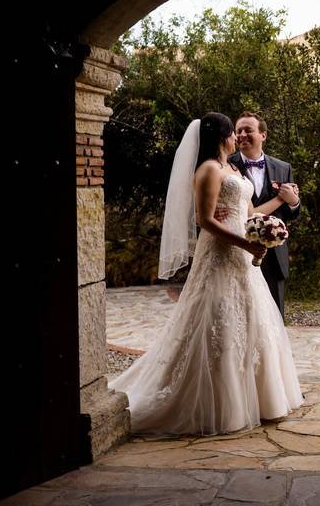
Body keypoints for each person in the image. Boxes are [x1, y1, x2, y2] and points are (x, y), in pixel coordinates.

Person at [108, 113, 303, 435]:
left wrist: (273, 216)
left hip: (242, 258)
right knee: (216, 322)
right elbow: (206, 220)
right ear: (221, 137)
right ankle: (218, 404)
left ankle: (259, 397)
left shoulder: (232, 169)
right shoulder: (208, 169)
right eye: (233, 133)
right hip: (221, 255)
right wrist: (246, 244)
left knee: (253, 322)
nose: (237, 138)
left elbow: (249, 212)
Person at [227, 112, 301, 318]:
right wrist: (280, 199)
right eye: (238, 130)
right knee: (240, 316)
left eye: (248, 130)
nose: (242, 134)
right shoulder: (226, 166)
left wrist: (293, 201)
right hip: (238, 249)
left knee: (274, 318)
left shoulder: (283, 167)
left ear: (263, 135)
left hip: (274, 253)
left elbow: (292, 213)